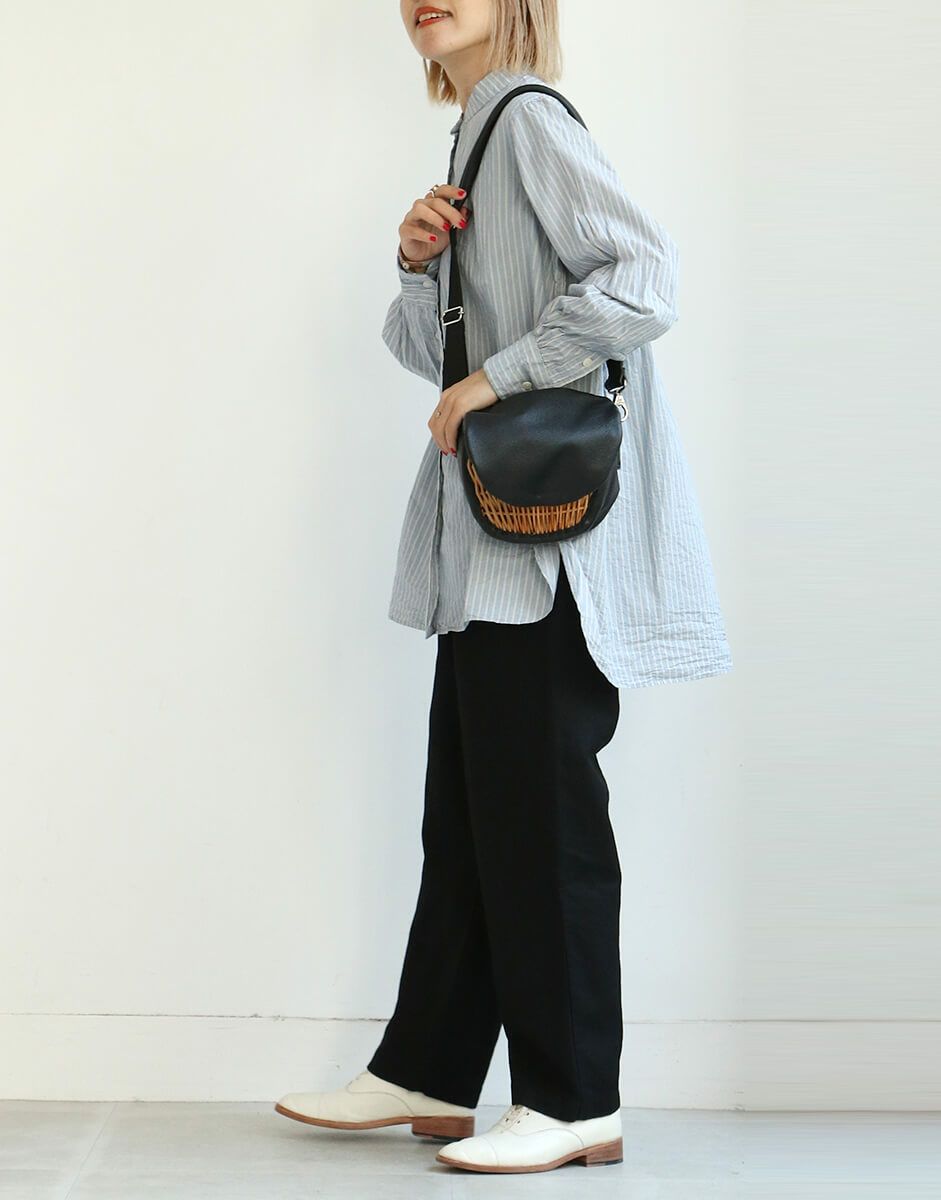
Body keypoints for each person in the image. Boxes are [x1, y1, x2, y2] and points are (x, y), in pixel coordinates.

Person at [275, 0, 734, 1176]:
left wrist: (500, 379)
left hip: (547, 554)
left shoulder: (524, 118)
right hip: (492, 550)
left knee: (542, 825)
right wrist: (416, 263)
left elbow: (644, 280)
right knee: (475, 825)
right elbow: (428, 356)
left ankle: (576, 1099)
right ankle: (428, 1069)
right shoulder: (476, 137)